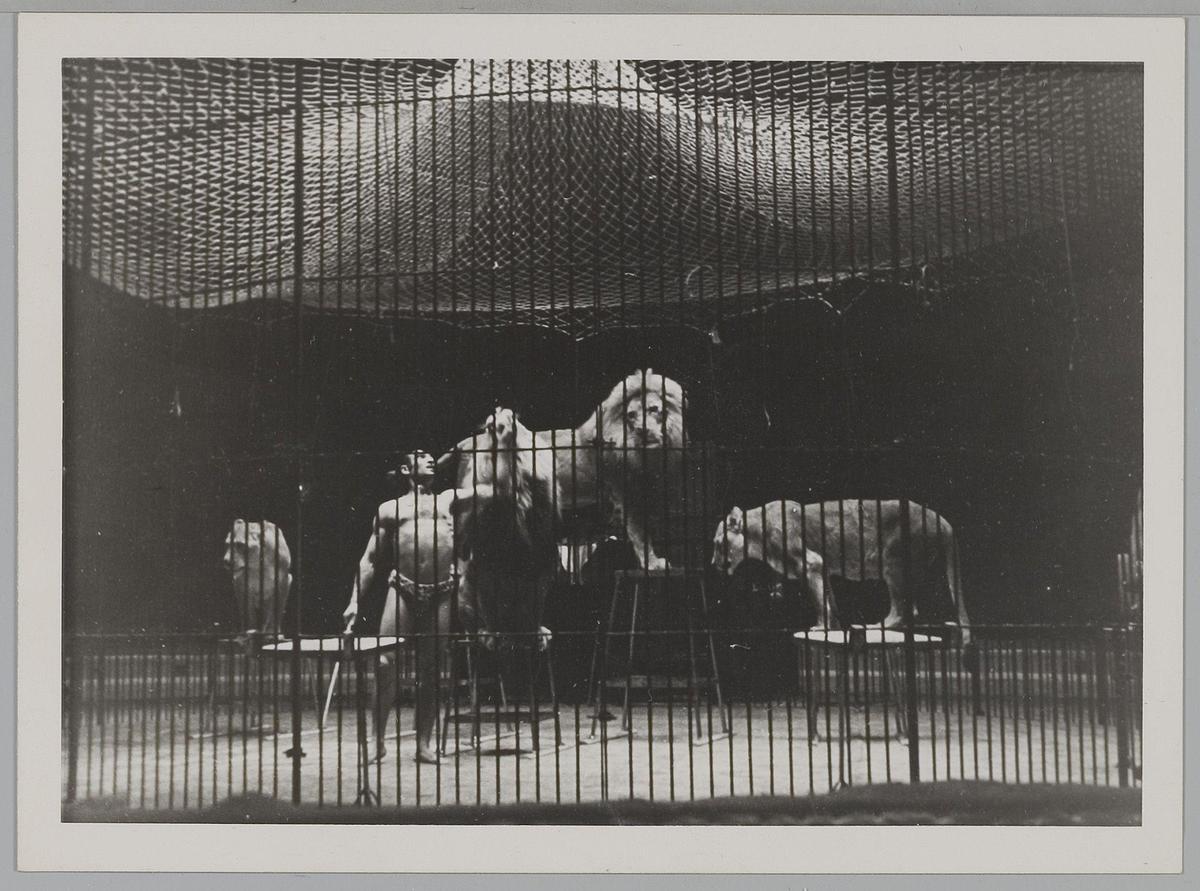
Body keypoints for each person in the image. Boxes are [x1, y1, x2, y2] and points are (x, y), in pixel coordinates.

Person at [342, 450, 460, 764]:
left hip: (441, 591)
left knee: (431, 671)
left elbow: (487, 490)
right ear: (406, 469)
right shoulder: (390, 509)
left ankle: (423, 745)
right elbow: (370, 560)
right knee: (384, 664)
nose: (430, 459)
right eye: (421, 457)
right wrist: (354, 601)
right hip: (403, 588)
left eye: (432, 457)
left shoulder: (448, 500)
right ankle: (377, 742)